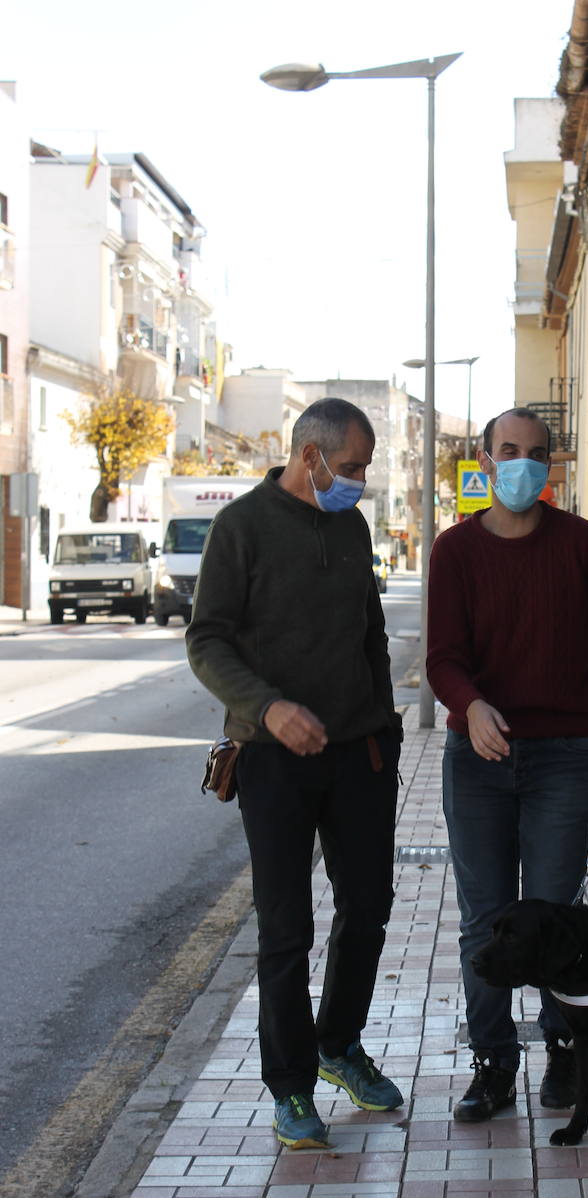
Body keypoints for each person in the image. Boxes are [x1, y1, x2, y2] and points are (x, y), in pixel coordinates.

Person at [426, 406, 588, 1123]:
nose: (522, 463)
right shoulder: (455, 551)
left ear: (552, 465)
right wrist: (470, 707)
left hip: (564, 759)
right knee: (485, 922)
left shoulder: (579, 544)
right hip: (478, 761)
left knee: (561, 922)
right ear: (485, 458)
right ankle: (493, 1064)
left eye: (536, 453)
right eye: (509, 450)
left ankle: (566, 1049)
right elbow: (441, 657)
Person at [186, 397, 404, 1150]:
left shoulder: (350, 525)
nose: (360, 481)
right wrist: (268, 707)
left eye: (365, 467)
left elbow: (371, 632)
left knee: (369, 908)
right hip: (274, 759)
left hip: (359, 757)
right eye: (351, 467)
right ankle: (291, 1088)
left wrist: (386, 728)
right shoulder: (239, 528)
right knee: (286, 931)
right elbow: (206, 641)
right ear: (308, 456)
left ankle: (339, 1045)